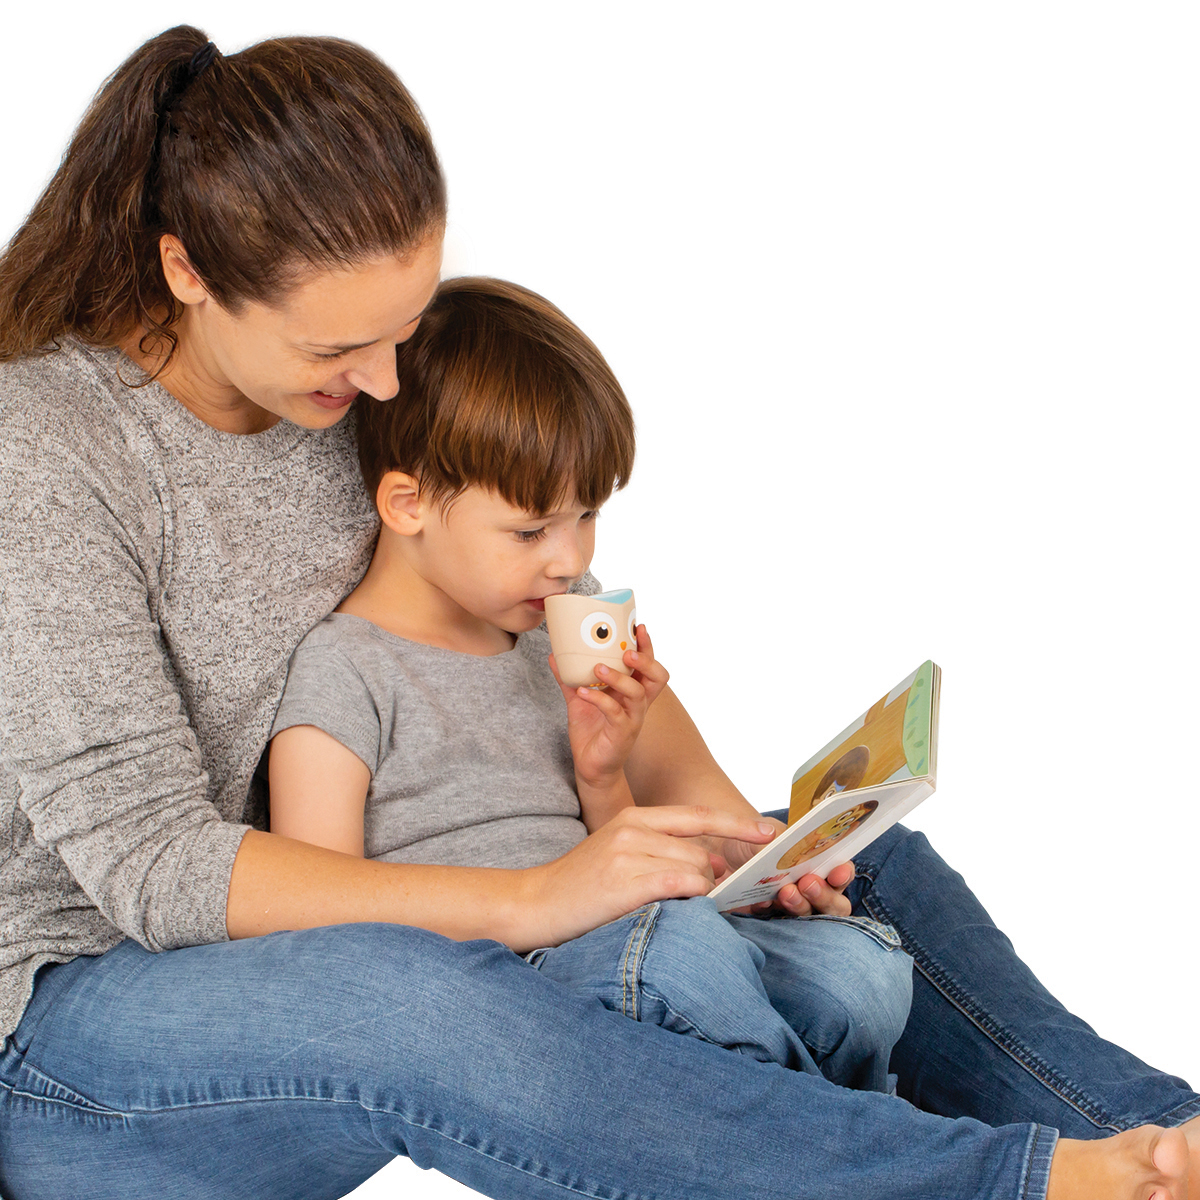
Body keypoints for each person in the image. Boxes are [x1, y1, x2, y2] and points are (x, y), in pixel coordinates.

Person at [0, 24, 1195, 1200]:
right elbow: (151, 864)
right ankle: (1004, 1186)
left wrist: (737, 838)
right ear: (185, 270)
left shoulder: (344, 385)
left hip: (411, 889)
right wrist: (539, 894)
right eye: (343, 346)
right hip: (89, 1019)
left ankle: (1161, 1146)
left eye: (405, 330)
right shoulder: (51, 451)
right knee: (420, 998)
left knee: (861, 867)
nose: (385, 383)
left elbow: (551, 615)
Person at [266, 275, 914, 1093]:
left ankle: (827, 1135)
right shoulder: (346, 670)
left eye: (587, 515)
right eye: (531, 528)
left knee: (858, 973)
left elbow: (612, 856)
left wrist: (608, 775)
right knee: (685, 962)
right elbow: (315, 915)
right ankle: (864, 1148)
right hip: (519, 984)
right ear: (409, 504)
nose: (569, 558)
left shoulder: (557, 623)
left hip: (645, 939)